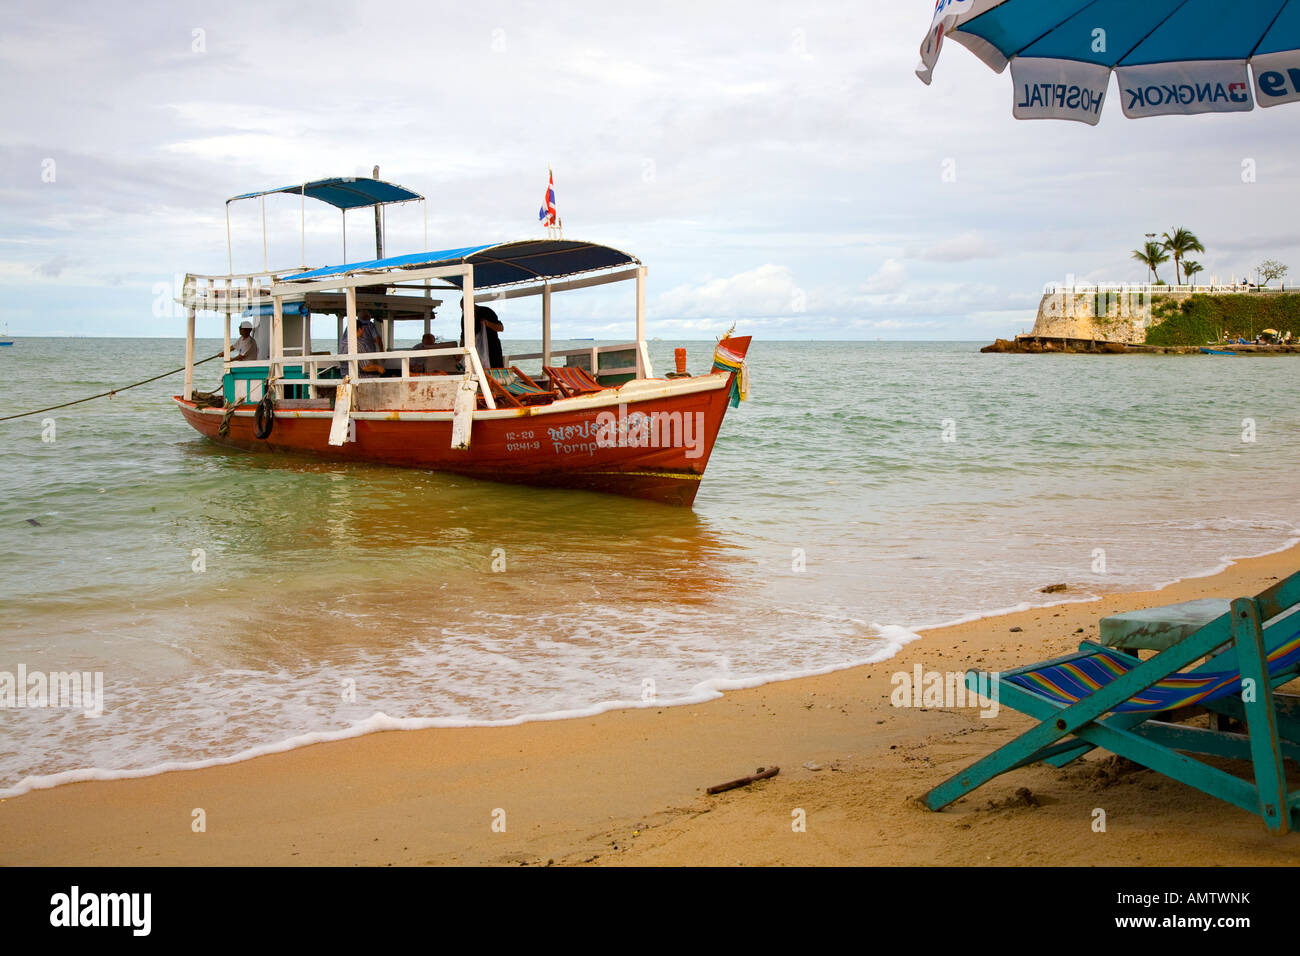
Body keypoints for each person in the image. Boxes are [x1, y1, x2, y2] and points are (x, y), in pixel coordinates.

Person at [338, 309, 385, 375]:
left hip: (345, 373)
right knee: (377, 372)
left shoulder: (344, 341)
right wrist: (378, 365)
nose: (364, 330)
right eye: (363, 329)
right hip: (367, 357)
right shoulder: (358, 344)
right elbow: (378, 339)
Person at [460, 302, 504, 369]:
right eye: (463, 310)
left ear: (473, 305)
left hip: (493, 349)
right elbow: (463, 337)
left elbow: (501, 328)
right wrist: (460, 353)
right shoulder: (465, 318)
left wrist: (488, 324)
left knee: (496, 371)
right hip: (476, 351)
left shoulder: (487, 311)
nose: (465, 311)